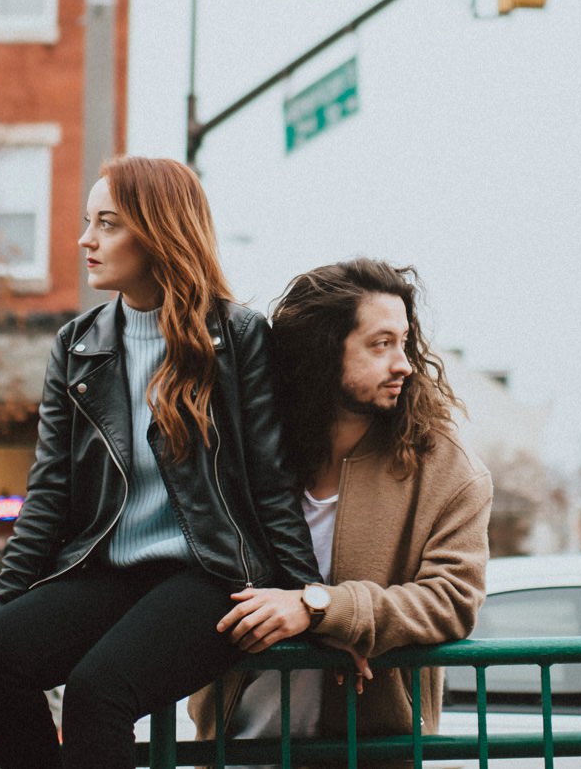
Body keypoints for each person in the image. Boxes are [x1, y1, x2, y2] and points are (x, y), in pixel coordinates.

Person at [0, 156, 321, 769]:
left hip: (213, 574)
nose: (86, 239)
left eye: (108, 224)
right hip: (106, 569)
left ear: (160, 230)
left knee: (97, 692)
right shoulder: (77, 345)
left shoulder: (239, 336)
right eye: (89, 222)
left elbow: (272, 484)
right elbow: (49, 497)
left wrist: (305, 601)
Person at [190, 257, 493, 759]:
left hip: (370, 747)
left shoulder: (446, 470)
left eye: (404, 342)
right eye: (381, 345)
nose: (405, 364)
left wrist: (321, 608)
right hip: (237, 742)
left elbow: (451, 601)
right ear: (322, 352)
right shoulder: (250, 452)